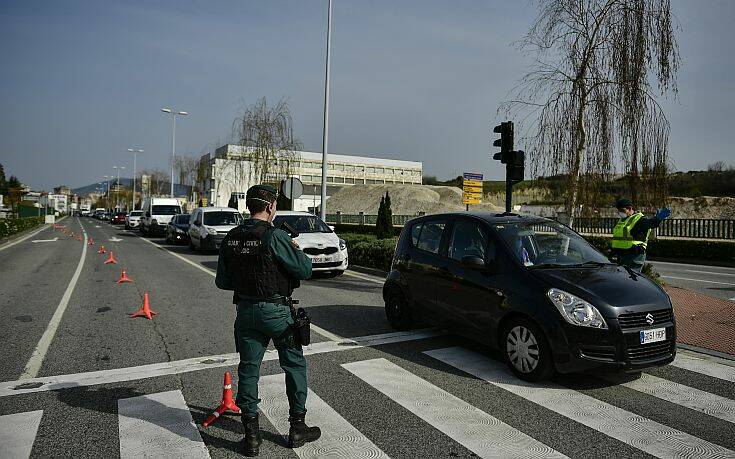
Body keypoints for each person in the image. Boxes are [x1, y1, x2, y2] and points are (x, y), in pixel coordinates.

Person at [215, 184, 320, 457]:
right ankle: (298, 427)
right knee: (294, 365)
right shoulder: (275, 237)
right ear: (270, 207)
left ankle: (251, 437)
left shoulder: (232, 237)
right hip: (277, 312)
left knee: (248, 370)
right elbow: (305, 269)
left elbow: (223, 281)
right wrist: (293, 249)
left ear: (249, 206)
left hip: (246, 312)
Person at [610, 198, 671, 272]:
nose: (620, 212)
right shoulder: (623, 220)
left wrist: (657, 219)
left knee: (632, 279)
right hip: (621, 255)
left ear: (630, 208)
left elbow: (651, 223)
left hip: (635, 255)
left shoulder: (639, 219)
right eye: (618, 210)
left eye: (622, 210)